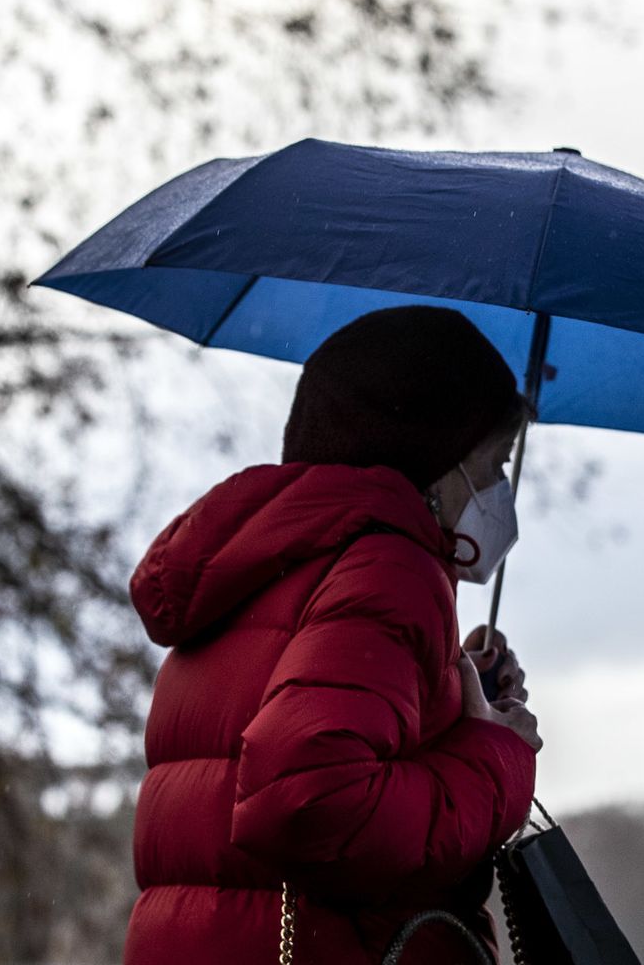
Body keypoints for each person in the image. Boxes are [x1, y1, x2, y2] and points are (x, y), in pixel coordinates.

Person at [124, 306, 541, 965]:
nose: (498, 491)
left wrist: (450, 704)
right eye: (494, 464)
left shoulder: (267, 561)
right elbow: (311, 805)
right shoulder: (390, 570)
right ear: (435, 459)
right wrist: (495, 756)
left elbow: (289, 719)